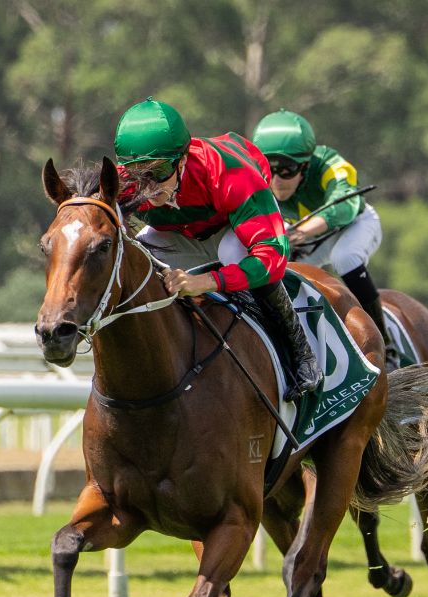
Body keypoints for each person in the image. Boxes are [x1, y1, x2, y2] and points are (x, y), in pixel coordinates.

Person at [113, 97, 322, 400]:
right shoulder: (123, 182)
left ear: (182, 160)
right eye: (137, 174)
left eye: (158, 172)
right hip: (179, 231)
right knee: (136, 257)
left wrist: (206, 281)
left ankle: (300, 351)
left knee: (232, 254)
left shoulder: (230, 173)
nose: (148, 186)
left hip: (232, 227)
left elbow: (272, 258)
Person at [251, 109, 396, 370]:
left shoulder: (331, 164)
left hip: (354, 225)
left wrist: (303, 232)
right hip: (306, 237)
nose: (277, 181)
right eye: (269, 170)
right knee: (285, 272)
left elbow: (346, 206)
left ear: (306, 165)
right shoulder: (254, 176)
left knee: (345, 258)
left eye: (287, 170)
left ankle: (386, 345)